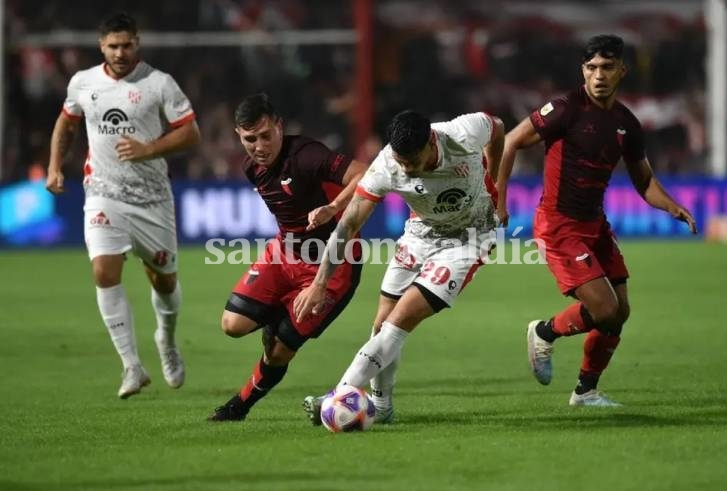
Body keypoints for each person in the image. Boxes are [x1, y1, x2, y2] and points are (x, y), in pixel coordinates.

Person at [496, 34, 697, 406]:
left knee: (619, 313)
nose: (599, 75)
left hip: (595, 225)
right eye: (591, 68)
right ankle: (544, 332)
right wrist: (500, 198)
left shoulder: (626, 123)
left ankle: (585, 391)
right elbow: (509, 142)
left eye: (607, 67)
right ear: (582, 71)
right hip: (558, 226)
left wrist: (671, 205)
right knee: (603, 308)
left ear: (622, 70)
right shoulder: (565, 109)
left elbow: (645, 180)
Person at [294, 109, 505, 424]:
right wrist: (319, 283)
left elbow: (498, 128)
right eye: (401, 161)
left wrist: (497, 181)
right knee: (381, 323)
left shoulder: (463, 133)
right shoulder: (387, 166)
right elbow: (348, 225)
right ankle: (382, 407)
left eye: (412, 162)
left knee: (400, 320)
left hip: (468, 239)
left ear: (431, 143)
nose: (405, 168)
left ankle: (339, 394)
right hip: (420, 234)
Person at [45, 13, 200, 399]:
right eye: (113, 46)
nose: (120, 52)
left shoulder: (158, 83)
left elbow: (190, 132)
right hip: (103, 192)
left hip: (152, 199)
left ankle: (165, 338)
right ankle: (131, 365)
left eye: (126, 45)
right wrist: (53, 168)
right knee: (103, 270)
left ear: (137, 44)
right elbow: (66, 124)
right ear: (102, 47)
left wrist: (149, 149)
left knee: (163, 281)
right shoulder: (83, 82)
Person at [207, 93, 368, 422]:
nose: (259, 146)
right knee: (232, 325)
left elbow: (364, 173)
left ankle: (239, 406)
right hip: (284, 254)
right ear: (239, 135)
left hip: (333, 265)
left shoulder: (307, 156)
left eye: (266, 136)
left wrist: (334, 208)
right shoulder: (253, 168)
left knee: (279, 352)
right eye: (250, 139)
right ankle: (279, 317)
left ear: (279, 127)